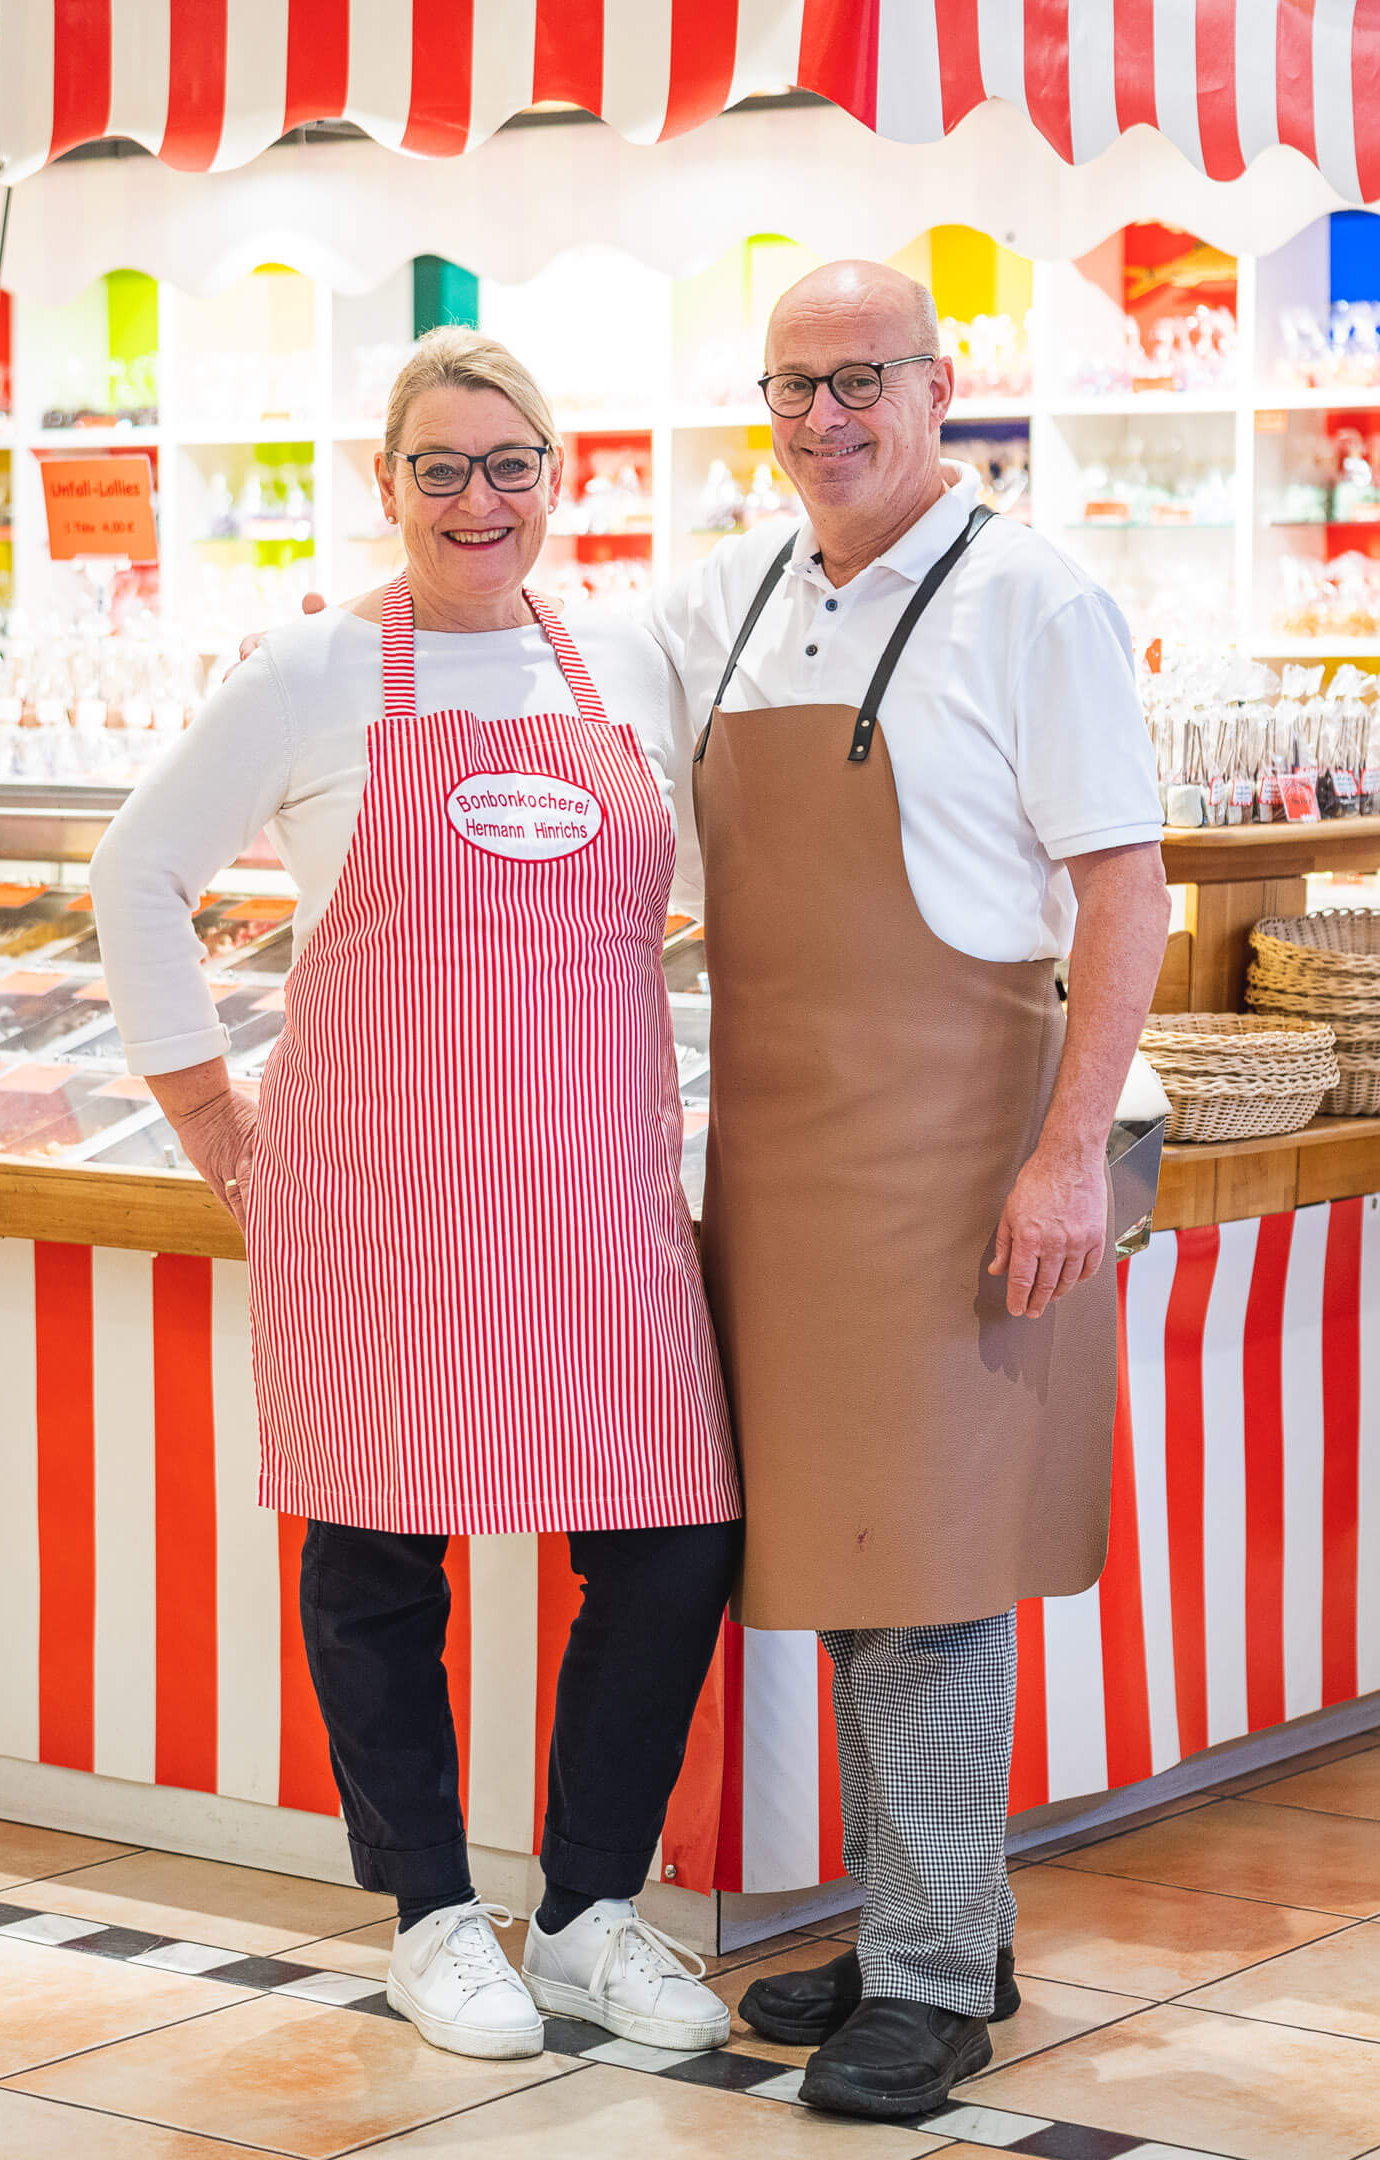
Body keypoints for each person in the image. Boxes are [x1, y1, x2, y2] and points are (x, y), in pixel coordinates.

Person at [88, 327, 741, 2066]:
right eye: (441, 469)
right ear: (387, 486)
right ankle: (433, 1915)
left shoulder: (627, 664)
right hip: (374, 1193)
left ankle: (593, 1908)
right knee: (380, 1556)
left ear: (560, 475)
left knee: (676, 1538)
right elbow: (133, 870)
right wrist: (208, 1114)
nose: (479, 499)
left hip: (602, 1189)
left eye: (510, 464)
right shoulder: (307, 674)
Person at [654, 261, 1170, 2123]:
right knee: (861, 1565)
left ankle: (941, 1976)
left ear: (942, 385)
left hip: (966, 1146)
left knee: (939, 1568)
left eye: (860, 378)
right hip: (782, 1159)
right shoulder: (728, 598)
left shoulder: (1033, 596)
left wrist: (1065, 1161)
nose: (821, 418)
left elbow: (1127, 889)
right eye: (791, 384)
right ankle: (924, 1923)